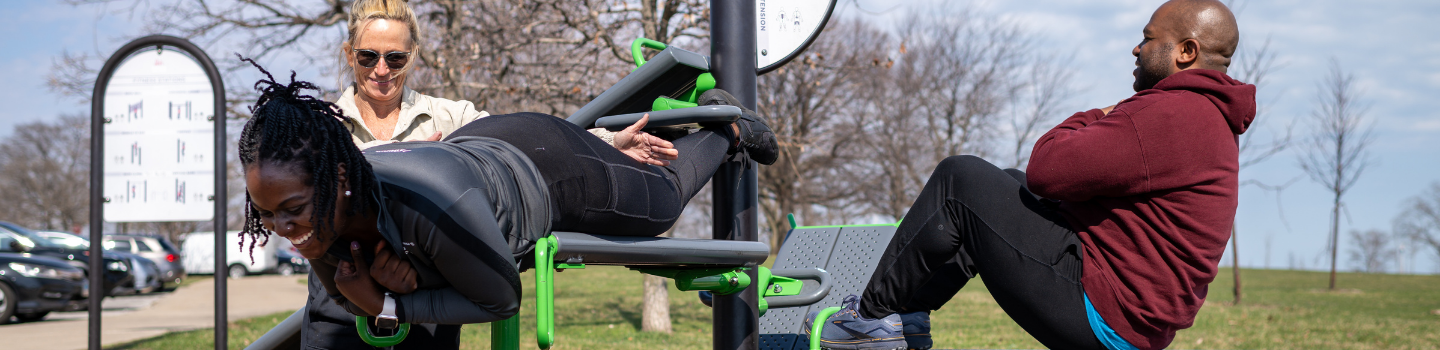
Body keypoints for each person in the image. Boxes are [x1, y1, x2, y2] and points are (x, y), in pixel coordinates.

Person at [238, 51, 776, 348]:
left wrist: (389, 303)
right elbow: (332, 318)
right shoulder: (325, 215)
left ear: (336, 177)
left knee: (661, 202)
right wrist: (401, 291)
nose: (283, 229)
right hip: (482, 151)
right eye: (265, 214)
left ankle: (720, 126)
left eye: (292, 210)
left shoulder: (436, 210)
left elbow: (500, 299)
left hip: (552, 165)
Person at [806, 1, 1255, 350]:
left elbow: (1049, 169)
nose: (1136, 49)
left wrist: (1097, 114)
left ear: (1186, 51)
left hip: (1106, 314)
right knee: (1006, 184)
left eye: (1148, 38)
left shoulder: (1172, 113)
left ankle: (868, 322)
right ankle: (906, 317)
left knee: (960, 179)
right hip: (1133, 320)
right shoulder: (1207, 119)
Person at [299, 1, 681, 347]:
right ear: (350, 55)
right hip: (342, 305)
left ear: (412, 56)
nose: (381, 70)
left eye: (395, 59)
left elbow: (529, 145)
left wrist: (610, 141)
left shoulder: (449, 117)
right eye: (369, 57)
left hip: (426, 303)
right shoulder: (320, 128)